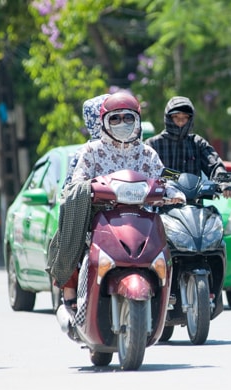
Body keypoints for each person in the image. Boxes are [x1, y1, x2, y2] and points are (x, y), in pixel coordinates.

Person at [52, 92, 185, 312]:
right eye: (115, 118)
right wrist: (87, 187)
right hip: (100, 218)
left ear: (138, 120)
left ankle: (167, 290)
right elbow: (78, 180)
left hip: (142, 220)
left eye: (128, 118)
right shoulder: (91, 151)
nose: (121, 123)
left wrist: (174, 191)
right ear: (103, 122)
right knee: (73, 235)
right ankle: (70, 290)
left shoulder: (147, 154)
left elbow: (163, 178)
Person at [145, 96, 231, 198]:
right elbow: (145, 174)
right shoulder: (152, 145)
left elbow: (215, 165)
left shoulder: (198, 143)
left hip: (193, 206)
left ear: (190, 119)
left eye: (185, 117)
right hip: (162, 205)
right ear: (168, 118)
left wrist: (225, 184)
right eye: (176, 117)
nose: (180, 121)